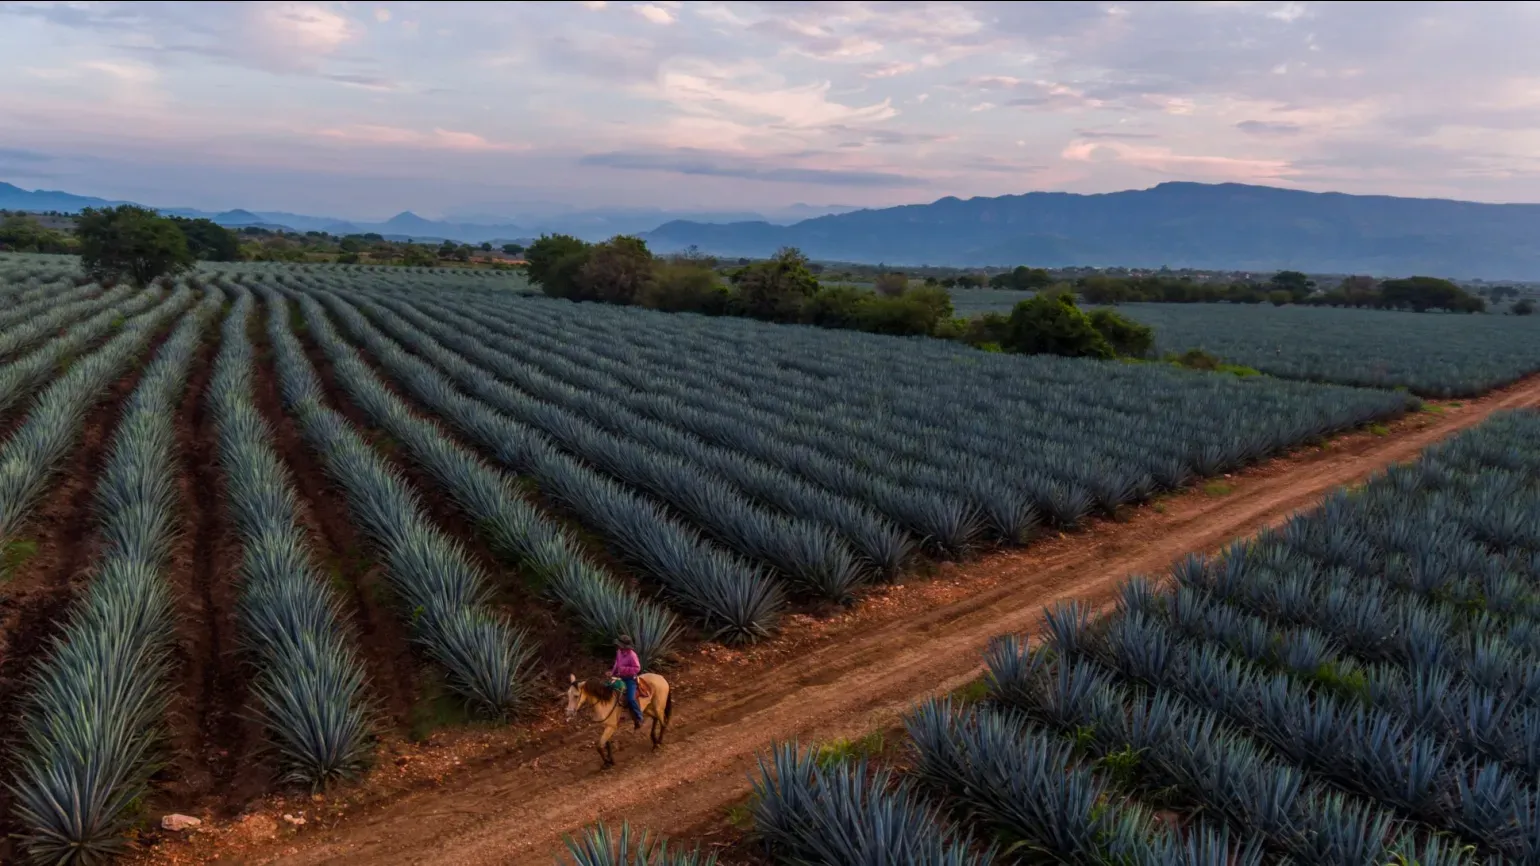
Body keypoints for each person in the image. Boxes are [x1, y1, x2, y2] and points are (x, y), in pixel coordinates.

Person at [610, 635, 643, 729]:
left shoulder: (632, 655)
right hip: (620, 677)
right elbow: (617, 663)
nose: (618, 646)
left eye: (620, 644)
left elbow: (637, 668)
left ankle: (639, 717)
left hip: (630, 679)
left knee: (631, 699)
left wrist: (624, 669)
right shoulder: (619, 652)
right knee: (609, 689)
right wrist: (613, 672)